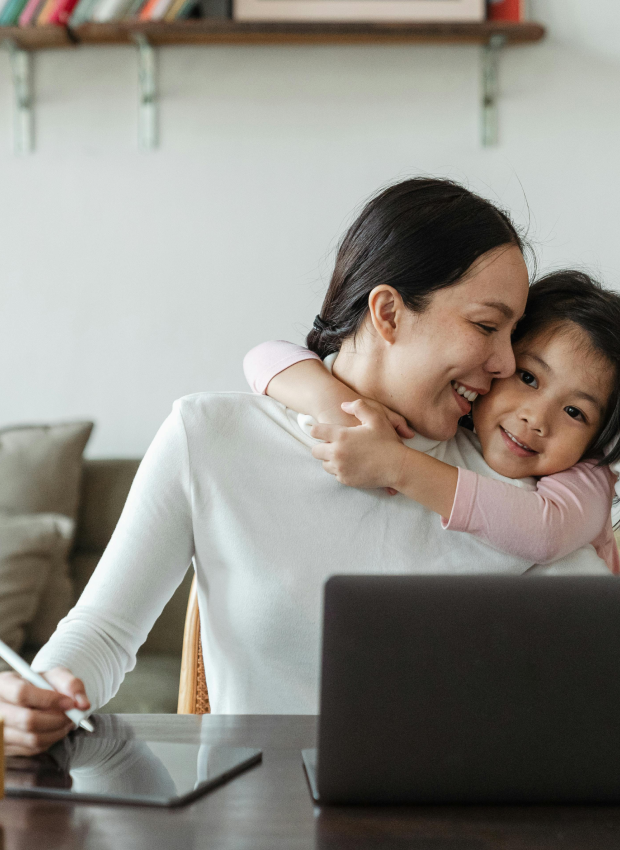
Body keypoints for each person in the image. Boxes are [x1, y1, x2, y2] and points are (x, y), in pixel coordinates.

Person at [2, 177, 574, 757]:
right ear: (388, 313)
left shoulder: (515, 495)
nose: (505, 363)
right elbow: (103, 632)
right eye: (485, 326)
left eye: (512, 335)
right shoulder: (211, 437)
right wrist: (39, 696)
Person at [244, 272, 620, 573]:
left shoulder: (590, 476)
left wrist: (396, 465)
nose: (536, 419)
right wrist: (335, 406)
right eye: (528, 378)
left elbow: (546, 532)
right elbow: (262, 356)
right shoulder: (458, 411)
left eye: (575, 413)